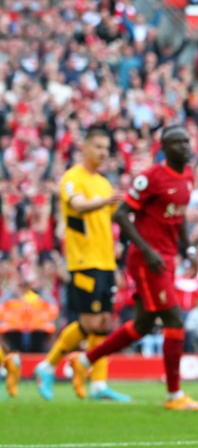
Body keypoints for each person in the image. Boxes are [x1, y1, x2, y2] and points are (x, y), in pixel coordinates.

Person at [69, 126, 198, 411]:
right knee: (174, 320)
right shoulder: (151, 178)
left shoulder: (189, 176)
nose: (184, 146)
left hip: (166, 258)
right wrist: (147, 250)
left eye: (186, 141)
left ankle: (83, 361)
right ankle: (173, 395)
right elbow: (121, 214)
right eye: (176, 143)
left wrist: (189, 249)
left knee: (143, 325)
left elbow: (177, 219)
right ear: (164, 149)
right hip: (147, 260)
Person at [36, 128, 131, 402]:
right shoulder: (72, 178)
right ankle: (49, 365)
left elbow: (116, 217)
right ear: (85, 148)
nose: (103, 153)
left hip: (105, 260)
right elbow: (78, 205)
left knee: (102, 323)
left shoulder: (103, 182)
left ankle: (99, 383)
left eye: (106, 148)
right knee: (88, 322)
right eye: (99, 147)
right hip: (83, 260)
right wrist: (106, 202)